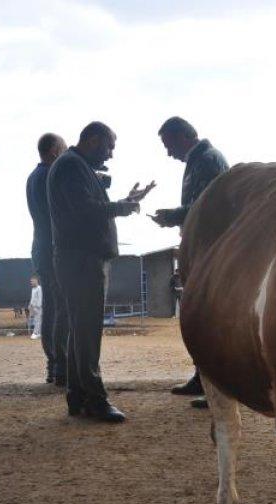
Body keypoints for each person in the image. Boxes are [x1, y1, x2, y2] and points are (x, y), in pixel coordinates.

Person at [47, 121, 153, 422]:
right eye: (109, 147)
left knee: (81, 331)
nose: (110, 155)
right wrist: (122, 207)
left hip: (78, 259)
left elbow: (87, 205)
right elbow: (85, 210)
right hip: (81, 260)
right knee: (87, 332)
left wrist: (124, 202)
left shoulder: (74, 165)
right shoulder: (71, 166)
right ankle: (94, 399)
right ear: (92, 140)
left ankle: (79, 397)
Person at [151, 116, 230, 409]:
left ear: (184, 137)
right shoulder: (200, 160)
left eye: (168, 144)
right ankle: (203, 378)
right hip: (201, 247)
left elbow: (205, 208)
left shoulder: (208, 160)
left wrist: (173, 216)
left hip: (210, 250)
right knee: (200, 318)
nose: (168, 152)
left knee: (209, 319)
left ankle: (217, 384)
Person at [26, 131, 68, 383]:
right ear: (53, 151)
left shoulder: (33, 177)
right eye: (63, 148)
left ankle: (54, 366)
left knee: (52, 306)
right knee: (59, 307)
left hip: (41, 247)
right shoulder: (51, 176)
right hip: (53, 249)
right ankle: (60, 365)